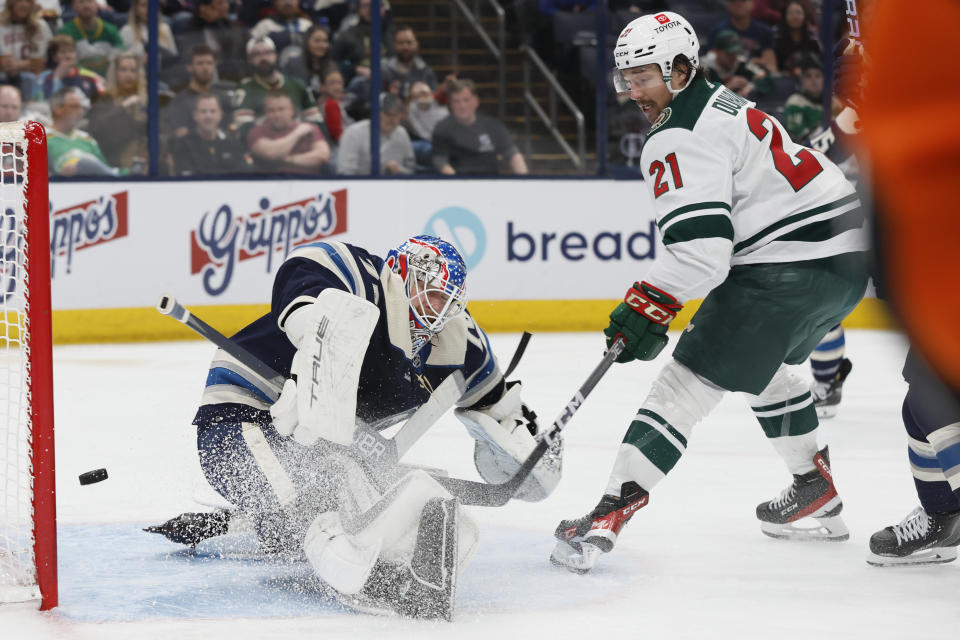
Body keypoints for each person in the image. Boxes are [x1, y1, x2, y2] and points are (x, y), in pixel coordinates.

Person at [549, 11, 868, 574]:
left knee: (684, 384)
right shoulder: (720, 100)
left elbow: (702, 255)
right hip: (844, 256)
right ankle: (814, 486)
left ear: (679, 68)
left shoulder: (675, 133)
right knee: (758, 364)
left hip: (788, 262)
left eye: (643, 76)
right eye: (626, 78)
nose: (632, 91)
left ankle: (607, 514)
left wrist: (647, 303)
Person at [147, 235, 562, 619]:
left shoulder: (458, 342)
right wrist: (312, 335)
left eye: (448, 300)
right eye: (431, 291)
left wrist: (523, 448)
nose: (438, 309)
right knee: (306, 505)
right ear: (400, 272)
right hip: (242, 409)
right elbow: (305, 264)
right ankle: (344, 563)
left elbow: (494, 401)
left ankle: (255, 525)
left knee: (354, 491)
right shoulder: (366, 281)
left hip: (326, 441)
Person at [431, 79, 527, 175]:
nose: (462, 106)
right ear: (450, 104)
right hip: (459, 182)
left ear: (476, 101)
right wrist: (459, 183)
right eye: (456, 101)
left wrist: (524, 180)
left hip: (492, 182)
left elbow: (513, 154)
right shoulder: (442, 128)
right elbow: (440, 161)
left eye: (466, 100)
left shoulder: (493, 126)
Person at [233, 36, 319, 132]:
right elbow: (243, 129)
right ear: (250, 59)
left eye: (268, 52)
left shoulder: (298, 85)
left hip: (300, 142)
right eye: (257, 54)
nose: (263, 58)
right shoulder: (245, 89)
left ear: (276, 55)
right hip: (263, 144)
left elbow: (317, 122)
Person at [87, 51, 148, 173]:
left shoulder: (147, 102)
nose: (128, 75)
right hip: (114, 165)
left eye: (133, 70)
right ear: (115, 73)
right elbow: (99, 134)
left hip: (146, 162)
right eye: (123, 70)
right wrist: (123, 110)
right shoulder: (103, 101)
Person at [246, 90, 329, 173]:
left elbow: (322, 156)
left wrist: (288, 159)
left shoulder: (310, 128)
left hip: (309, 182)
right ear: (266, 113)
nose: (277, 115)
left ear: (292, 110)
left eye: (281, 109)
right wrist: (297, 133)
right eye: (271, 110)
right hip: (269, 182)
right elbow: (271, 153)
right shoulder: (257, 132)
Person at [164, 44, 234, 138]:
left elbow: (230, 129)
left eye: (209, 63)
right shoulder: (179, 101)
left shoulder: (222, 98)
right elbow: (180, 134)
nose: (205, 68)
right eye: (200, 63)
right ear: (189, 67)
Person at [46, 86, 118, 176]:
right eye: (75, 107)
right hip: (59, 185)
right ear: (58, 110)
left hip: (94, 186)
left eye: (81, 108)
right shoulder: (41, 138)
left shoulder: (87, 139)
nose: (80, 112)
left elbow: (103, 168)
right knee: (86, 162)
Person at [170, 92, 248, 175]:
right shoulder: (183, 144)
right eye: (203, 111)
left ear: (220, 114)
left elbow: (242, 174)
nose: (208, 116)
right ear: (195, 115)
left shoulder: (232, 143)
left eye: (213, 111)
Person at [336, 92, 414, 175]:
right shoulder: (354, 133)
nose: (392, 118)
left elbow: (411, 169)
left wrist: (399, 170)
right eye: (388, 113)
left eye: (396, 114)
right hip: (360, 186)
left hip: (395, 186)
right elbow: (345, 172)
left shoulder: (402, 134)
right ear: (375, 113)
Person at [708, 0, 777, 74]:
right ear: (728, 5)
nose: (738, 4)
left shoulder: (765, 31)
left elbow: (771, 67)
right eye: (733, 1)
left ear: (752, 3)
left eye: (742, 1)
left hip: (756, 75)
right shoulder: (718, 31)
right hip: (727, 75)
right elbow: (712, 60)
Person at [0, 0, 52, 98]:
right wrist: (3, 63)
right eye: (19, 1)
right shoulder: (1, 26)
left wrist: (19, 65)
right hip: (4, 80)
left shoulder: (41, 26)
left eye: (28, 1)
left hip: (37, 81)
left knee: (28, 78)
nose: (23, 4)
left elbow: (50, 60)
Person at [57, 0, 124, 77]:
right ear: (73, 6)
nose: (86, 5)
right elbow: (64, 62)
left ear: (97, 5)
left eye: (90, 1)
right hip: (76, 80)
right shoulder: (66, 31)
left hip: (108, 81)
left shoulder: (111, 30)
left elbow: (120, 59)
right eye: (81, 2)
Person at [701, 29, 771, 99]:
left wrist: (749, 87)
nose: (733, 57)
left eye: (735, 52)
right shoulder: (704, 68)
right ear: (716, 51)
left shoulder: (741, 62)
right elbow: (700, 97)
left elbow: (766, 79)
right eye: (729, 53)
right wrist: (727, 88)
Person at [382, 25, 436, 101]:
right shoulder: (384, 70)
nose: (405, 47)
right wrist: (390, 97)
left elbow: (433, 100)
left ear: (417, 44)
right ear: (394, 45)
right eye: (401, 43)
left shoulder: (426, 72)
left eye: (409, 42)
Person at [280, 23, 334, 99]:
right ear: (307, 42)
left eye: (325, 41)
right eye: (317, 41)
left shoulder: (331, 66)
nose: (322, 45)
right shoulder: (293, 64)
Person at [782, 53, 826, 142]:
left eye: (818, 75)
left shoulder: (835, 102)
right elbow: (799, 136)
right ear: (802, 79)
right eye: (808, 76)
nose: (814, 80)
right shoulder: (795, 102)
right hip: (808, 151)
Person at [771, 0, 821, 76]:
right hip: (783, 78)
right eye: (791, 13)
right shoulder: (776, 36)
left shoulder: (812, 36)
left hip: (807, 78)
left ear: (804, 16)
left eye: (798, 12)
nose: (795, 16)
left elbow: (818, 61)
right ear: (785, 16)